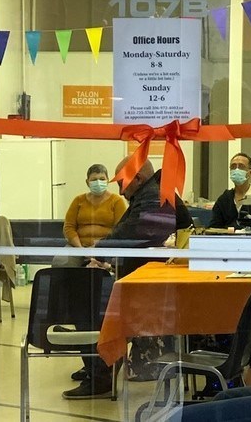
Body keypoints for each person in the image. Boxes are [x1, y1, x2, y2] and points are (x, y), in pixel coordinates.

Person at [62, 157, 193, 400]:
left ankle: (100, 373)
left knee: (86, 300)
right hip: (146, 277)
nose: (120, 190)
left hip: (147, 284)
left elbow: (133, 233)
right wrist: (104, 255)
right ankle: (96, 363)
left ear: (138, 179)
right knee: (87, 293)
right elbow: (131, 232)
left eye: (122, 183)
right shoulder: (154, 191)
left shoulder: (153, 196)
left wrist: (100, 252)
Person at [58, 163, 127, 267]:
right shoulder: (78, 201)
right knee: (60, 262)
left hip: (106, 248)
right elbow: (69, 228)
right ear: (87, 182)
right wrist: (81, 249)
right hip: (77, 247)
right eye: (94, 180)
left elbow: (120, 230)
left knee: (108, 267)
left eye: (102, 179)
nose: (98, 182)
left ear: (108, 180)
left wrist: (98, 247)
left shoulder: (117, 201)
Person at [207, 152, 251, 230]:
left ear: (250, 172)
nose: (236, 170)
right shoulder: (224, 200)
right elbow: (213, 227)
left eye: (241, 167)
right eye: (233, 167)